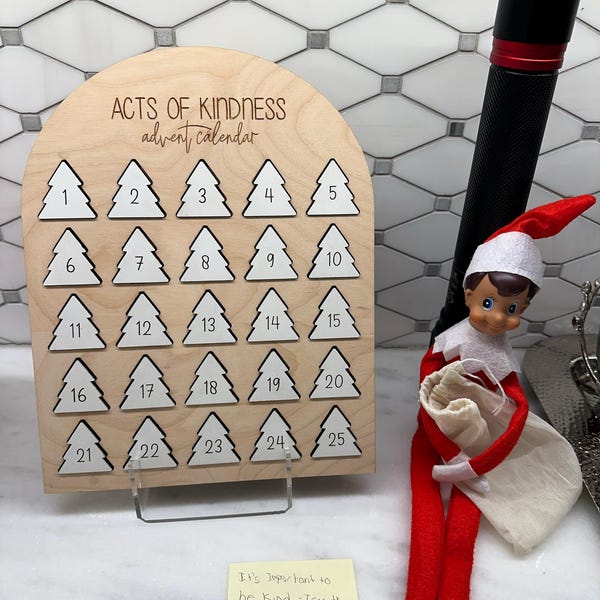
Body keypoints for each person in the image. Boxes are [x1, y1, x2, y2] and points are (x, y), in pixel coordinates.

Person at [406, 194, 596, 600]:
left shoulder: (502, 355)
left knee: (465, 528)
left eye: (511, 309)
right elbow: (427, 390)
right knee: (425, 517)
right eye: (488, 303)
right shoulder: (449, 343)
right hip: (437, 432)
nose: (496, 317)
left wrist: (480, 459)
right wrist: (452, 454)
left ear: (525, 306)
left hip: (482, 439)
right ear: (468, 295)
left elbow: (514, 404)